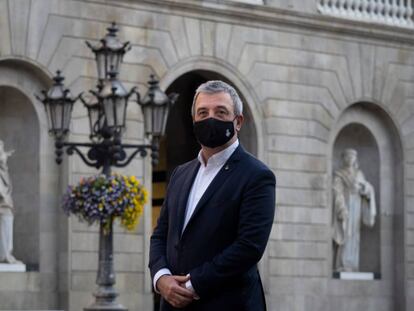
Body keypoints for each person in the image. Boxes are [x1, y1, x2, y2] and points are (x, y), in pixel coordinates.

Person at [149, 80, 276, 310]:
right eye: (203, 112)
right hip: (171, 303)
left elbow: (249, 247)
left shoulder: (257, 176)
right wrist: (161, 278)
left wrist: (192, 285)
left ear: (237, 122)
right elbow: (161, 235)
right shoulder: (181, 173)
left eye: (220, 112)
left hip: (228, 304)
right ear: (194, 120)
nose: (210, 119)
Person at [332, 148, 376, 272]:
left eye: (353, 156)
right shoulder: (339, 174)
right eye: (348, 156)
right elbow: (337, 192)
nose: (350, 158)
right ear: (344, 158)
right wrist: (341, 208)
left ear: (355, 159)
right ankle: (342, 264)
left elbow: (367, 188)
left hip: (357, 206)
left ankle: (353, 264)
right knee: (345, 233)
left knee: (355, 236)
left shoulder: (359, 174)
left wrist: (365, 189)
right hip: (346, 205)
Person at [0, 140, 19, 263]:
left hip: (4, 201)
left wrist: (4, 156)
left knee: (7, 219)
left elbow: (3, 164)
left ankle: (6, 253)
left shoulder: (3, 171)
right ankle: (5, 254)